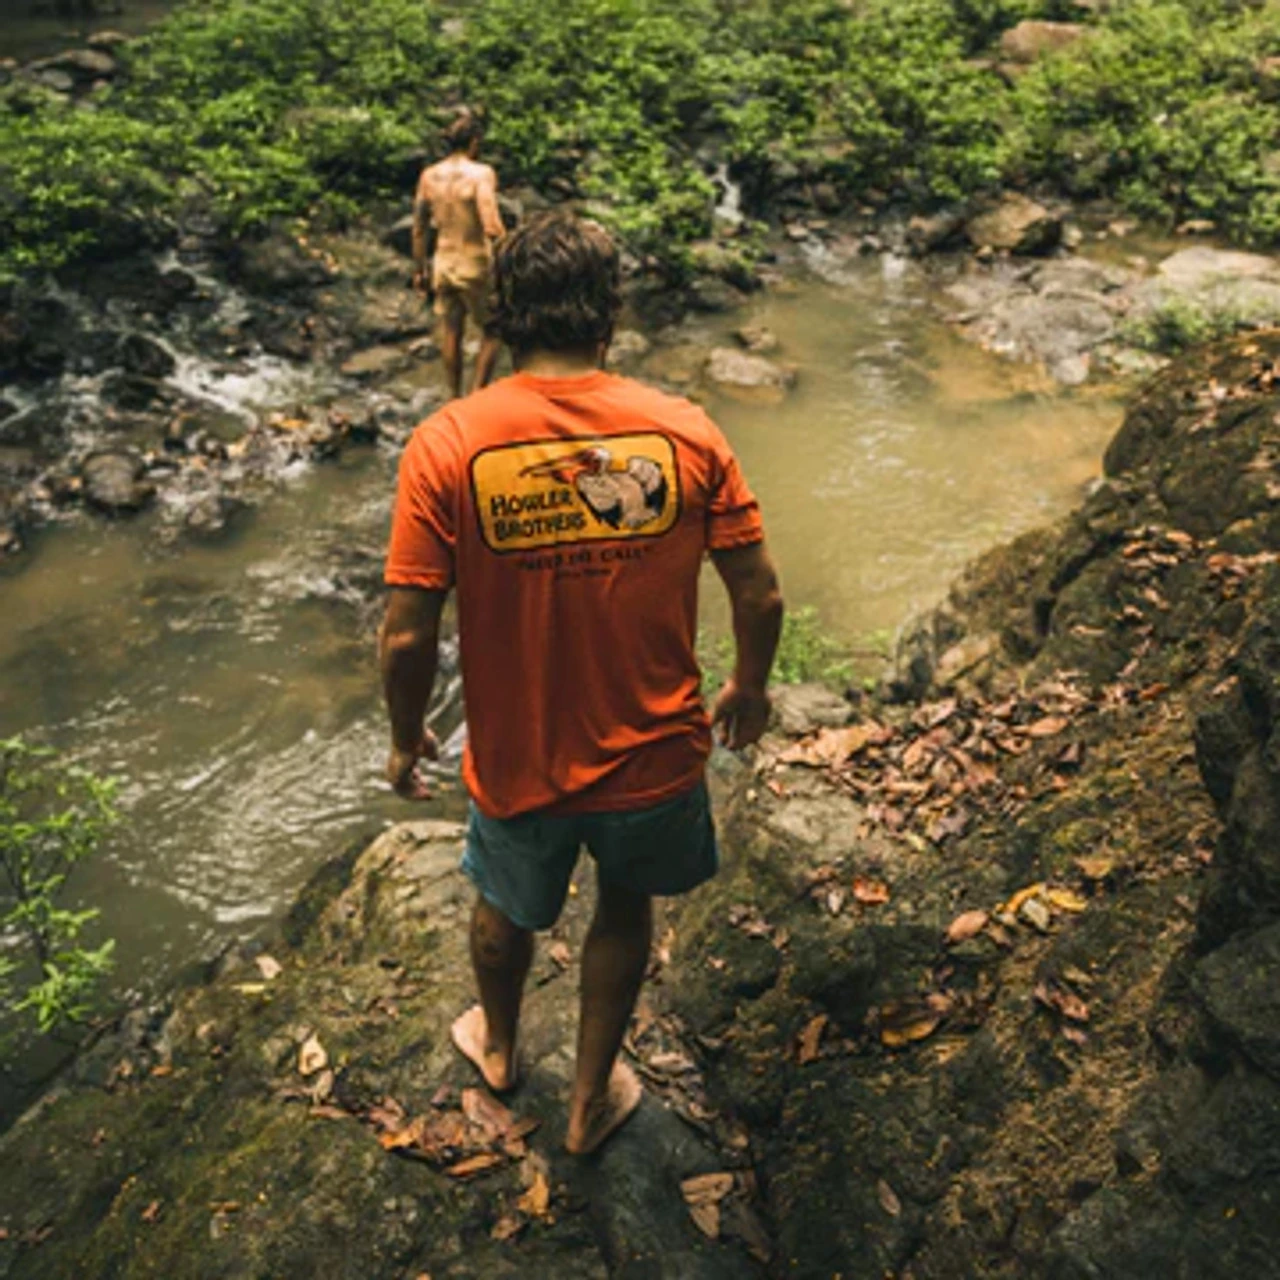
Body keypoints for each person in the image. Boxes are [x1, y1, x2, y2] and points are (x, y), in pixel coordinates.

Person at [380, 212, 783, 1155]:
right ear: (610, 313)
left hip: (520, 754)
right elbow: (758, 594)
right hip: (653, 750)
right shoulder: (685, 431)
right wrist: (750, 687)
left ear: (506, 316)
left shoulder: (448, 444)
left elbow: (406, 635)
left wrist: (406, 737)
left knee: (505, 904)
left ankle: (501, 1047)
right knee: (624, 909)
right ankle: (590, 1098)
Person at [412, 108, 506, 398]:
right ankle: (477, 394)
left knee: (452, 330)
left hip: (443, 262)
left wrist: (420, 270)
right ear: (474, 142)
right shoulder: (481, 174)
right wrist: (509, 259)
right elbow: (491, 224)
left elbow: (418, 227)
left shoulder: (429, 176)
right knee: (496, 328)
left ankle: (453, 396)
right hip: (474, 262)